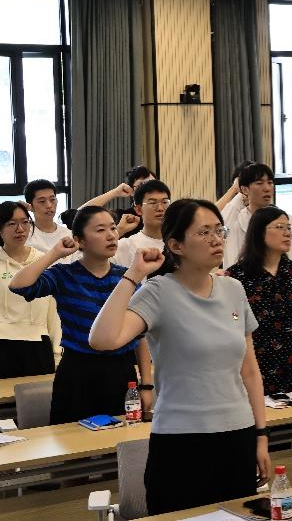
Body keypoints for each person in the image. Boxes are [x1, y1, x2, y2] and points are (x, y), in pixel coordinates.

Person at [88, 199, 271, 516]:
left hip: (238, 436)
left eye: (219, 230)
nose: (216, 239)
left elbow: (250, 371)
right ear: (176, 245)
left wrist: (261, 436)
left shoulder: (233, 289)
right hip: (181, 441)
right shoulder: (158, 292)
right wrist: (133, 275)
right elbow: (102, 339)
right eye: (204, 232)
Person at [9, 205, 152, 424]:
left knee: (122, 438)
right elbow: (19, 285)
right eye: (100, 230)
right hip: (78, 372)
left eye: (113, 228)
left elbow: (140, 337)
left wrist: (147, 385)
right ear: (80, 240)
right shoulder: (64, 275)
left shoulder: (127, 278)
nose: (111, 235)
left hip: (121, 371)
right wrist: (55, 253)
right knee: (72, 439)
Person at [227, 206, 292, 393]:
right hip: (251, 371)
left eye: (289, 228)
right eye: (279, 227)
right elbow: (232, 327)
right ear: (259, 232)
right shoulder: (237, 276)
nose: (287, 233)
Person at [0, 201, 60, 378]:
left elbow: (53, 312)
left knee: (40, 395)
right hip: (2, 344)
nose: (20, 229)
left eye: (25, 222)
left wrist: (57, 352)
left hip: (38, 344)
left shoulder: (44, 261)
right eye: (12, 223)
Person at [223, 163, 292, 268]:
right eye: (259, 183)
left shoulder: (288, 221)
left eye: (270, 183)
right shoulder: (236, 220)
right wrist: (235, 190)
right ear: (245, 189)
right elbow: (222, 220)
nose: (267, 188)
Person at [113, 180, 170, 268]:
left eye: (165, 202)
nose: (160, 208)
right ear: (139, 209)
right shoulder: (126, 246)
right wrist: (119, 230)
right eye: (153, 203)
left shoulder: (180, 243)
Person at [24, 179, 73, 256]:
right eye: (42, 201)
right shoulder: (24, 235)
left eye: (52, 200)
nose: (49, 205)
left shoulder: (68, 235)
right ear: (30, 205)